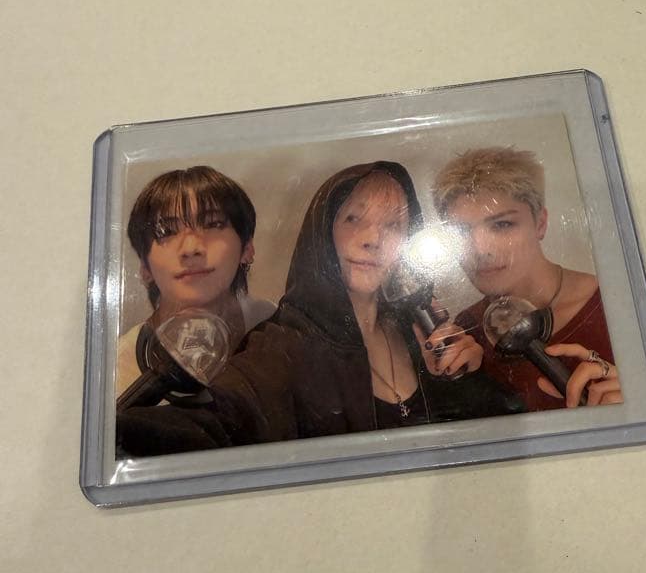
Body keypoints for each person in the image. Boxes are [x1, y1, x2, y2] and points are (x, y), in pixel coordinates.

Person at [116, 160, 523, 456]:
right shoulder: (281, 343)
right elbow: (217, 422)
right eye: (353, 219)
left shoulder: (419, 330)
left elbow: (499, 429)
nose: (373, 239)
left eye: (393, 225)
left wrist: (464, 380)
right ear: (323, 234)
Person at [432, 147, 623, 409]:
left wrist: (635, 403)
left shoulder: (616, 304)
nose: (481, 249)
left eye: (502, 225)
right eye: (461, 232)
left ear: (540, 224)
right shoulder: (467, 329)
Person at [117, 165, 276, 396]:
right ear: (144, 266)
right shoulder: (120, 370)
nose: (191, 249)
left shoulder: (273, 325)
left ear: (247, 248)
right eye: (166, 231)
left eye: (213, 224)